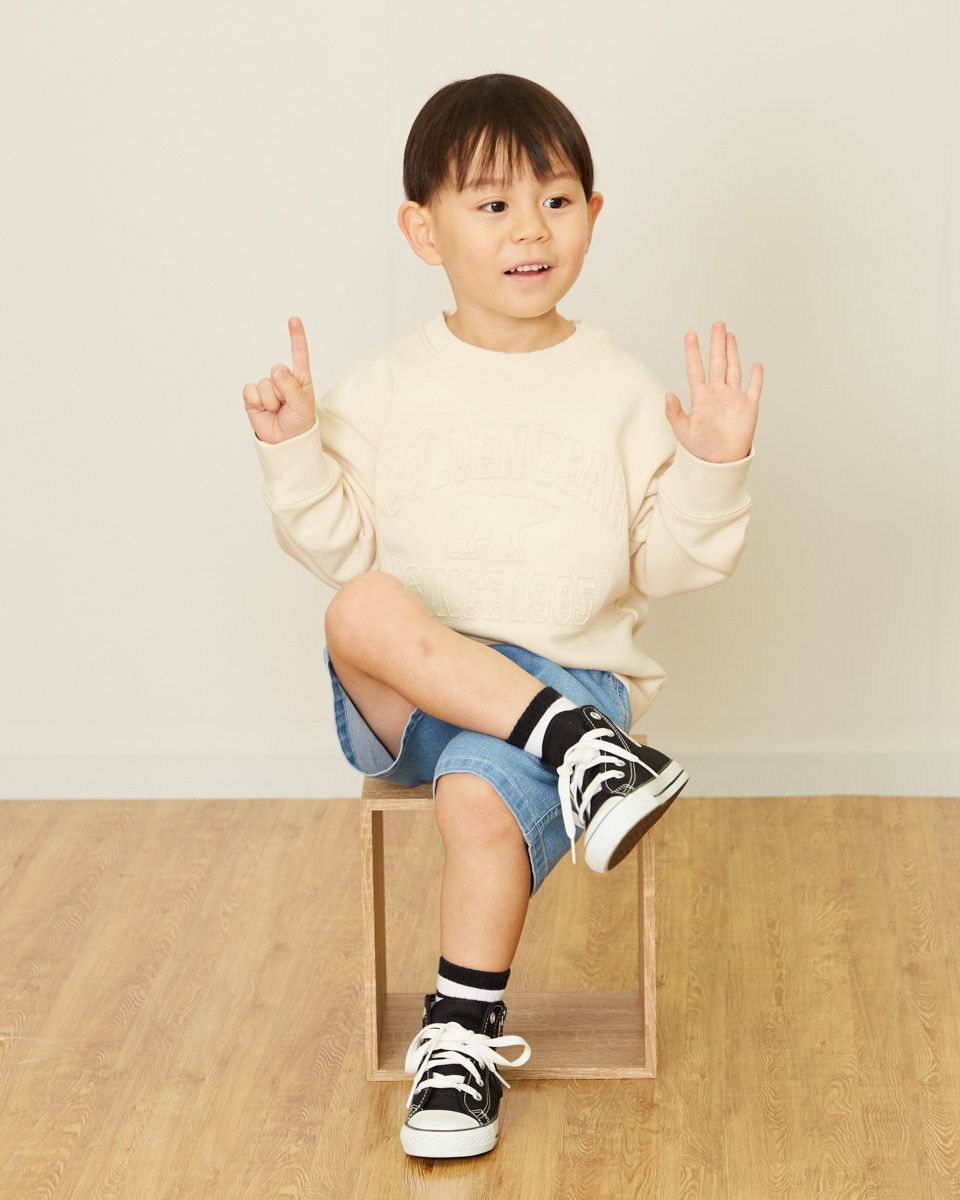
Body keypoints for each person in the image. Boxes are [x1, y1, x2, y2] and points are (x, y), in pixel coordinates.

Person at [242, 72, 762, 1161]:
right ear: (422, 231)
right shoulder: (386, 385)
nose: (531, 228)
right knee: (362, 603)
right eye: (492, 204)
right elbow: (338, 549)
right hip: (421, 697)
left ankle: (461, 1038)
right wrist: (293, 451)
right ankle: (586, 754)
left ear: (593, 216)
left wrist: (712, 467)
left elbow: (665, 565)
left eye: (557, 200)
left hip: (569, 673)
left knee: (482, 789)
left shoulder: (620, 390)